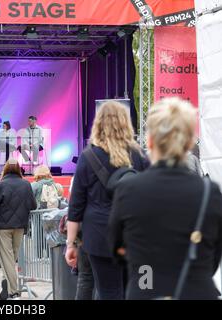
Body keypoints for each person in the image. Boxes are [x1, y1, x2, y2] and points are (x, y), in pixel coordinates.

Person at [108, 98, 222, 300]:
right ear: (188, 142)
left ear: (150, 141)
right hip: (196, 290)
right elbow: (214, 254)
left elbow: (116, 249)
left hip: (146, 287)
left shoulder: (128, 189)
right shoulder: (209, 192)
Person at [65, 101, 149, 300]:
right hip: (132, 232)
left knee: (107, 291)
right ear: (126, 123)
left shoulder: (88, 157)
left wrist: (70, 244)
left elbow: (75, 207)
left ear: (99, 124)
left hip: (98, 235)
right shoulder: (139, 156)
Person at [0, 159, 37, 300]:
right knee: (12, 258)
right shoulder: (25, 184)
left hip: (2, 227)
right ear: (19, 168)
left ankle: (13, 292)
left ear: (5, 168)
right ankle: (6, 286)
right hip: (20, 226)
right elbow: (33, 205)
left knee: (7, 259)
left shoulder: (0, 185)